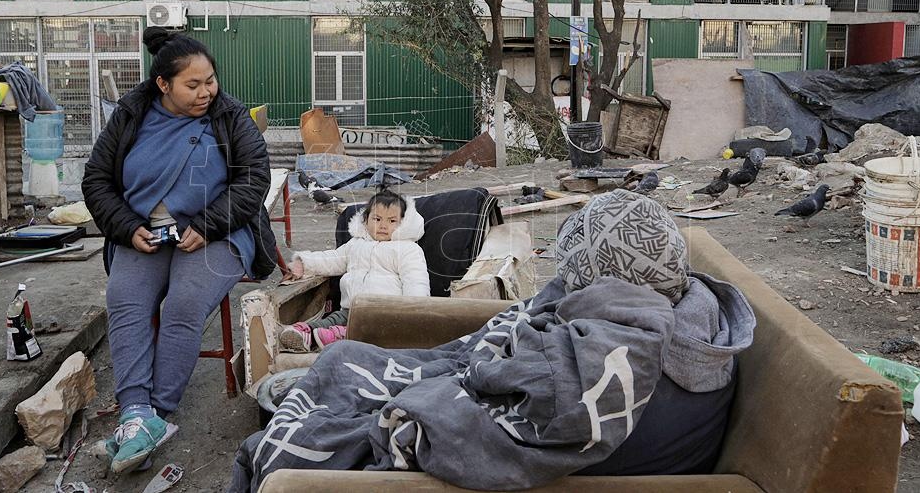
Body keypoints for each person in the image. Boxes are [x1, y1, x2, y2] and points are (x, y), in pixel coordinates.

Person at [231, 190, 755, 492]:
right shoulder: (687, 313)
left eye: (576, 276)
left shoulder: (627, 366)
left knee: (315, 417)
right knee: (344, 358)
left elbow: (505, 425)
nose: (565, 285)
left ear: (603, 275)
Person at [82, 27, 278, 474]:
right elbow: (96, 180)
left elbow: (253, 179)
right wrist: (127, 227)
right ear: (163, 85)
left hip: (219, 233)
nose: (206, 91)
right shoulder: (131, 116)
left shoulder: (228, 116)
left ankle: (158, 413)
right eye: (193, 84)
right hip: (144, 235)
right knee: (125, 300)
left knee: (185, 305)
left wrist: (208, 225)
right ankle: (136, 414)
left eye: (210, 80)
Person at [278, 188, 430, 351]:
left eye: (392, 221)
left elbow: (415, 279)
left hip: (385, 312)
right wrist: (304, 264)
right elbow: (332, 259)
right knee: (334, 319)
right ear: (365, 220)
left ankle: (339, 336)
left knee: (369, 327)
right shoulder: (356, 244)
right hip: (350, 309)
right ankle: (307, 333)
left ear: (403, 223)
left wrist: (415, 313)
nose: (383, 226)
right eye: (377, 219)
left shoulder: (407, 249)